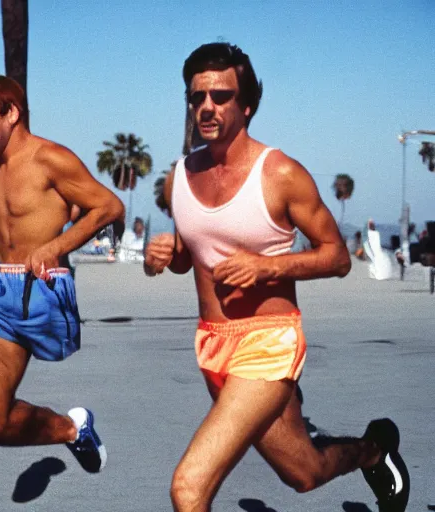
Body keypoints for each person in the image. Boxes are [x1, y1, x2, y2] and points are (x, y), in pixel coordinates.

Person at [144, 42, 409, 511]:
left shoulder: (280, 173)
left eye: (220, 96)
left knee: (189, 486)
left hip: (268, 343)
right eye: (196, 97)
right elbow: (192, 256)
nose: (206, 106)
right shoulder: (179, 177)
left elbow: (337, 257)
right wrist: (165, 255)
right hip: (212, 342)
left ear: (246, 105)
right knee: (303, 473)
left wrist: (265, 267)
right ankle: (373, 451)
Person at [0, 75, 124, 473]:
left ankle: (71, 429)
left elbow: (109, 207)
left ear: (11, 112)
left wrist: (55, 247)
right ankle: (71, 430)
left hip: (42, 291)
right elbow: (7, 237)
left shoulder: (50, 158)